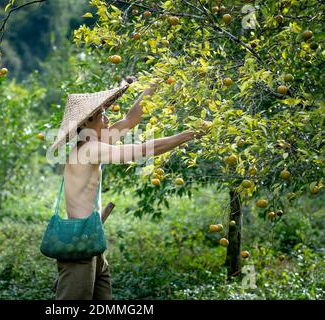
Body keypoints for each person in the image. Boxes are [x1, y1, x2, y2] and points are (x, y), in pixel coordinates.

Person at [48, 79, 209, 300]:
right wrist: (188, 135)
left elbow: (131, 119)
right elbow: (143, 150)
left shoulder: (94, 141)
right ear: (85, 124)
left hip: (92, 243)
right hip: (80, 245)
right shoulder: (90, 149)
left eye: (105, 112)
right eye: (101, 115)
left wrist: (153, 86)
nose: (107, 118)